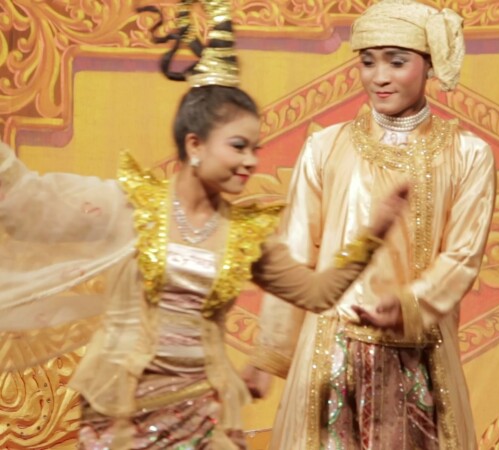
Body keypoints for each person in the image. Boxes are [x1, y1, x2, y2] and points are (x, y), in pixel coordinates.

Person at [0, 1, 407, 448]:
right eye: (238, 146)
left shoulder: (245, 235)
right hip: (122, 416)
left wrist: (374, 232)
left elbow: (316, 293)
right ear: (195, 144)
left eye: (254, 148)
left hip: (200, 416)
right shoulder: (132, 206)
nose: (251, 161)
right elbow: (28, 206)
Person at [244, 0, 496, 448]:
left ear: (429, 65)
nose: (379, 77)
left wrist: (409, 305)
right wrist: (270, 354)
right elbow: (296, 252)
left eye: (397, 62)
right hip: (331, 352)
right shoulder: (325, 147)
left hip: (420, 357)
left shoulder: (468, 154)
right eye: (367, 62)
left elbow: (462, 254)